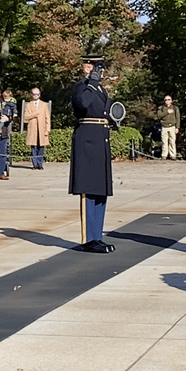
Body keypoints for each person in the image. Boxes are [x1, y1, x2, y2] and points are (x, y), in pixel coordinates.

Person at [69, 55, 115, 253]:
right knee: (89, 190)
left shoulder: (100, 88)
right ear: (86, 67)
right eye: (96, 67)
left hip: (100, 138)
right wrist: (92, 81)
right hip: (87, 141)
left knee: (100, 190)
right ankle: (89, 238)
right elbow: (83, 105)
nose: (99, 71)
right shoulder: (82, 86)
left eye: (100, 68)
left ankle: (97, 235)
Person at [24, 87, 51, 170]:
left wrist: (48, 130)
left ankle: (40, 164)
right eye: (34, 94)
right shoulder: (28, 105)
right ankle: (34, 164)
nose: (36, 96)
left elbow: (47, 118)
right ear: (31, 94)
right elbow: (25, 117)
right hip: (33, 129)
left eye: (38, 94)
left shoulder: (44, 104)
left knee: (41, 147)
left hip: (42, 129)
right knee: (34, 147)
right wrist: (35, 114)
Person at [156, 95, 181, 160]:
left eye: (169, 99)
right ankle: (164, 155)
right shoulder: (161, 108)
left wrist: (177, 127)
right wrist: (167, 112)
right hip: (164, 127)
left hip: (172, 126)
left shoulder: (175, 108)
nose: (167, 101)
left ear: (171, 101)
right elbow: (159, 116)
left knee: (172, 141)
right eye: (166, 100)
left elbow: (178, 118)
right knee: (164, 141)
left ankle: (173, 155)